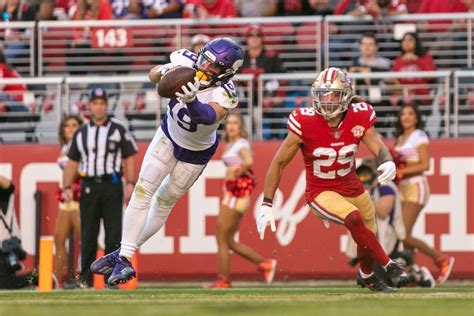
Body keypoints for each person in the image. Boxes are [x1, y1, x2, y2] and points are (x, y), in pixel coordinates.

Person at [91, 37, 245, 286]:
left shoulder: (225, 91)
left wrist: (192, 100)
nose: (205, 67)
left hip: (196, 152)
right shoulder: (185, 59)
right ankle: (125, 257)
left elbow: (208, 117)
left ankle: (122, 254)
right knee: (143, 190)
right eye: (205, 59)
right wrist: (164, 71)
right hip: (168, 135)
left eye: (213, 67)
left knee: (163, 201)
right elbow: (153, 76)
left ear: (226, 72)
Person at [256, 67, 410, 292]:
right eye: (322, 94)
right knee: (355, 219)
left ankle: (367, 276)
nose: (327, 100)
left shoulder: (359, 115)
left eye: (333, 94)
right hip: (321, 191)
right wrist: (266, 203)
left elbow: (377, 145)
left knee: (367, 235)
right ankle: (390, 266)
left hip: (353, 186)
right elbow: (278, 162)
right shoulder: (304, 121)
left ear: (346, 95)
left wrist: (387, 160)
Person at [63, 87, 138, 288]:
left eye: (102, 103)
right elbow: (72, 161)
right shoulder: (81, 132)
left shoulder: (118, 129)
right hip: (88, 186)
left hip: (112, 184)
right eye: (95, 103)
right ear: (89, 106)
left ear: (106, 105)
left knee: (113, 233)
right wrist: (67, 186)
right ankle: (86, 280)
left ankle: (110, 280)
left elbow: (129, 155)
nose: (98, 107)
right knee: (88, 233)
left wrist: (130, 182)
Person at [210, 113, 276, 289]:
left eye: (235, 123)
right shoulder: (231, 144)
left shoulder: (241, 144)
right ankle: (264, 263)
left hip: (235, 196)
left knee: (221, 238)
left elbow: (248, 161)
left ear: (241, 127)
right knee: (229, 240)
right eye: (229, 122)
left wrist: (237, 173)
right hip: (232, 196)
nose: (231, 126)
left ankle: (224, 280)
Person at [393, 104, 454, 284]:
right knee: (403, 233)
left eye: (411, 113)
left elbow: (425, 165)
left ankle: (442, 259)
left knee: (403, 233)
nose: (407, 117)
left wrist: (401, 171)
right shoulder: (400, 138)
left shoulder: (418, 136)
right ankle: (412, 272)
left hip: (416, 186)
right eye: (403, 113)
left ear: (417, 117)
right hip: (403, 188)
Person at [349, 163, 436, 288]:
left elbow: (384, 212)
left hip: (390, 238)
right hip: (376, 238)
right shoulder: (368, 189)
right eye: (361, 176)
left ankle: (418, 275)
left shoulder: (385, 187)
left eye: (366, 174)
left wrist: (365, 198)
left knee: (387, 281)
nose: (364, 178)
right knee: (367, 279)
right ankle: (407, 269)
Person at [240, 24, 286, 139]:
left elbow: (283, 80)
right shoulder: (240, 57)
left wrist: (277, 97)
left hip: (268, 98)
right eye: (251, 35)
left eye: (257, 35)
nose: (254, 38)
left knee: (277, 111)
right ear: (246, 38)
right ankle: (246, 139)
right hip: (246, 99)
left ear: (262, 38)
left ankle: (273, 139)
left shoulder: (272, 56)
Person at [54, 115, 83, 288]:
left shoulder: (83, 145)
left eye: (74, 125)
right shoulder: (65, 147)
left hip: (80, 197)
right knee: (59, 238)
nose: (71, 128)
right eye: (67, 125)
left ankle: (89, 277)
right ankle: (57, 280)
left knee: (87, 241)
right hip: (67, 199)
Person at [0, 175, 36, 289]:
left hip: (5, 250)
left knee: (4, 284)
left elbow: (9, 186)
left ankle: (37, 277)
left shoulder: (3, 197)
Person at [391, 32, 437, 106]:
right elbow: (394, 79)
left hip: (420, 96)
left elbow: (430, 76)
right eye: (404, 40)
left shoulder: (426, 57)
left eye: (410, 40)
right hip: (403, 95)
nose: (407, 43)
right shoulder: (398, 60)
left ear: (416, 42)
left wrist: (417, 59)